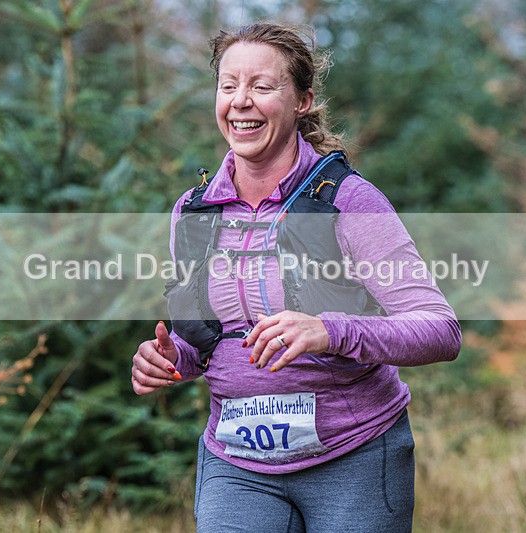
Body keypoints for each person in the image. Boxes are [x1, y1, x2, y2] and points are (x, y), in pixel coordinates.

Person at [132, 22, 461, 533]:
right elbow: (207, 338)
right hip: (237, 463)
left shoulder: (350, 201)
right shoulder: (192, 211)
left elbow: (440, 330)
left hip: (355, 454)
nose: (241, 101)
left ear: (303, 100)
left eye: (262, 86)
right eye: (228, 85)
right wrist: (172, 359)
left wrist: (328, 331)